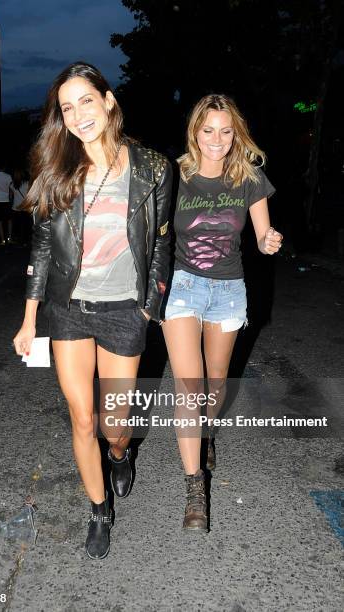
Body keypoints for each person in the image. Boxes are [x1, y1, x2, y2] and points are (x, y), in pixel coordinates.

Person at [13, 62, 172, 559]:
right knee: (82, 419)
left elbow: (163, 245)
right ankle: (99, 509)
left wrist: (150, 309)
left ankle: (120, 455)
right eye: (67, 106)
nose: (78, 113)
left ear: (108, 101)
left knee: (114, 424)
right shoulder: (56, 168)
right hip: (69, 310)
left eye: (86, 100)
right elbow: (41, 249)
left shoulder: (152, 167)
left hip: (124, 309)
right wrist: (28, 319)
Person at [162, 94, 282, 531]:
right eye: (208, 130)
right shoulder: (174, 177)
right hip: (181, 288)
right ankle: (195, 485)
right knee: (188, 388)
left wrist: (269, 241)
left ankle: (206, 432)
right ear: (195, 131)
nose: (217, 139)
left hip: (229, 291)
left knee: (214, 385)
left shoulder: (249, 178)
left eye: (226, 131)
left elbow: (263, 230)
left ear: (236, 134)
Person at [10, 169, 30, 245]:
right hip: (25, 206)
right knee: (26, 225)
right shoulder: (27, 183)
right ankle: (25, 240)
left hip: (16, 207)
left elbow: (11, 196)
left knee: (17, 225)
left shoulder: (12, 184)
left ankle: (18, 240)